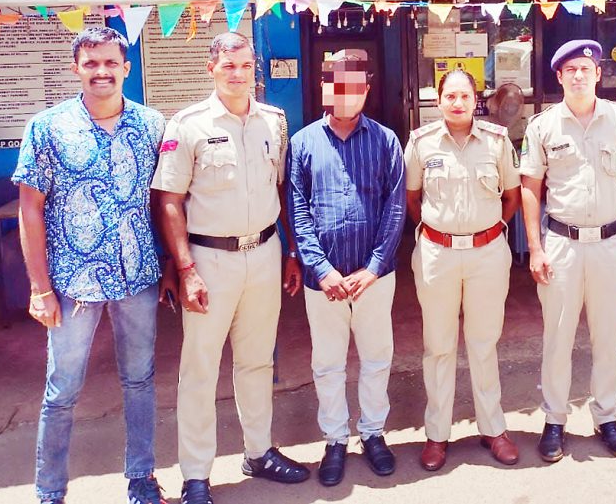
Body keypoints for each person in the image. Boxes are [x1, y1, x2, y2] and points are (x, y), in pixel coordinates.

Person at [151, 32, 307, 504]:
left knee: (258, 361)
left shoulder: (274, 121)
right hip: (209, 260)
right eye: (228, 66)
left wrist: (291, 252)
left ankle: (258, 452)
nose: (238, 74)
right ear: (211, 69)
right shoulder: (188, 124)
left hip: (263, 253)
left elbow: (281, 190)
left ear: (254, 68)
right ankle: (196, 476)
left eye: (245, 65)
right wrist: (185, 269)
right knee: (200, 368)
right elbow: (169, 200)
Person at [13, 27, 167, 504]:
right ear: (76, 69)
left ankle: (141, 478)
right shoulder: (48, 127)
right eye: (91, 63)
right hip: (72, 283)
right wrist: (40, 288)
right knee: (62, 390)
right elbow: (30, 208)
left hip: (137, 276)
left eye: (110, 62)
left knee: (139, 380)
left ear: (126, 68)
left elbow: (163, 200)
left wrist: (172, 267)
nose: (102, 71)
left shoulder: (151, 125)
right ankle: (50, 491)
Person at [519, 39, 616, 463]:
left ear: (598, 74)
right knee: (557, 337)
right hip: (561, 246)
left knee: (608, 337)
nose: (578, 75)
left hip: (611, 244)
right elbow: (530, 189)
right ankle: (554, 420)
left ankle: (606, 418)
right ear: (559, 77)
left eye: (586, 69)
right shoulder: (543, 126)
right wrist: (535, 248)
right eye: (570, 69)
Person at [288, 49, 406, 487]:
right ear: (325, 88)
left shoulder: (386, 141)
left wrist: (373, 267)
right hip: (325, 282)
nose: (346, 93)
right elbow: (297, 210)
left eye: (355, 86)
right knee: (328, 362)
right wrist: (321, 269)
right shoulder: (303, 143)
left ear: (366, 90)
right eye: (337, 85)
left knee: (376, 357)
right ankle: (335, 439)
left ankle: (372, 433)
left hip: (375, 277)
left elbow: (395, 208)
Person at [405, 70, 522, 472]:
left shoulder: (497, 141)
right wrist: (441, 233)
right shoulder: (420, 142)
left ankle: (493, 429)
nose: (457, 103)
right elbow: (412, 198)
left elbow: (511, 196)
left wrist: (490, 230)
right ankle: (437, 435)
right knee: (438, 346)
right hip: (437, 254)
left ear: (477, 100)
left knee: (483, 342)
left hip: (487, 253)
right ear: (438, 101)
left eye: (465, 96)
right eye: (450, 96)